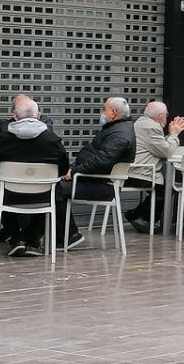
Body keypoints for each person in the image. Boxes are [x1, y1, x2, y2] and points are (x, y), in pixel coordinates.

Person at [0, 96, 70, 257]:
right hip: (43, 195)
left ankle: (16, 238)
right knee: (54, 189)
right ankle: (32, 239)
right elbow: (63, 169)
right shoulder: (52, 140)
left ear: (15, 117)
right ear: (38, 116)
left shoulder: (3, 139)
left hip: (9, 196)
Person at [57, 96, 136, 249]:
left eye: (104, 109)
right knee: (54, 186)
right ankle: (62, 234)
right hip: (95, 180)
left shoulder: (120, 135)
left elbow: (102, 161)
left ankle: (67, 236)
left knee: (56, 190)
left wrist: (74, 171)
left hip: (103, 185)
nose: (101, 112)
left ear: (113, 113)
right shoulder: (117, 129)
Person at [125, 101, 184, 234]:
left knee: (164, 189)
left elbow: (158, 145)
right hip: (140, 173)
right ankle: (141, 217)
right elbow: (167, 152)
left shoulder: (143, 123)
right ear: (160, 116)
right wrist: (174, 135)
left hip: (133, 170)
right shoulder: (151, 127)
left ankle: (136, 215)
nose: (167, 117)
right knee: (167, 189)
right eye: (166, 115)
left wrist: (170, 136)